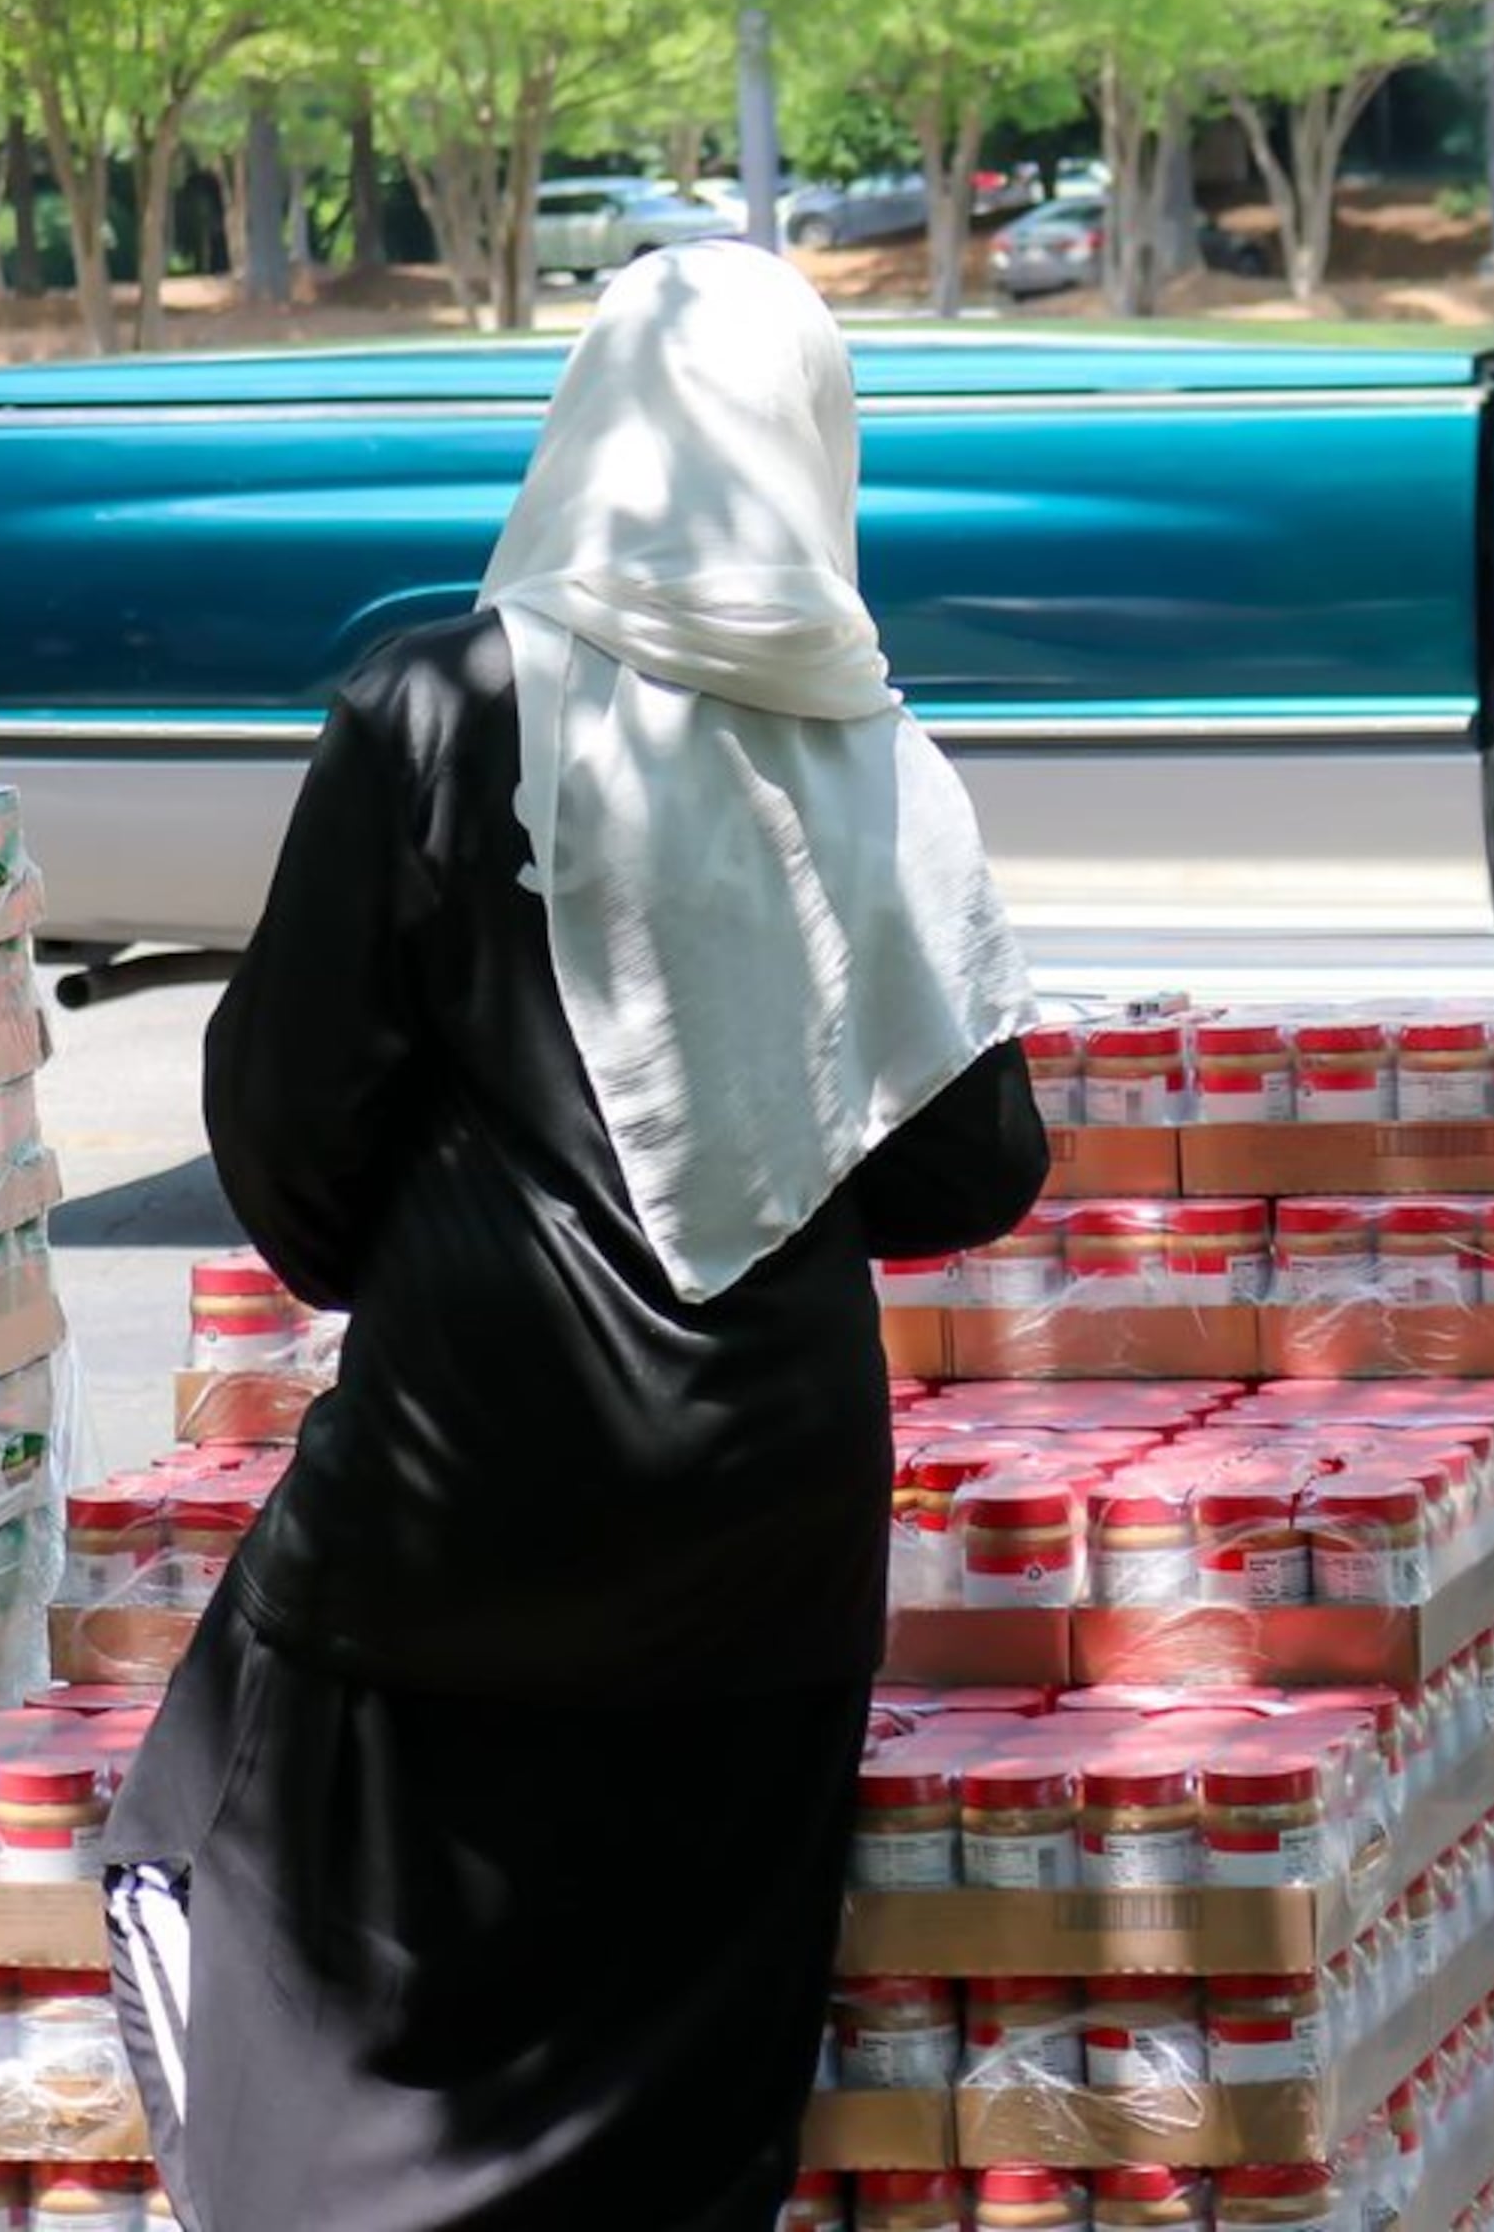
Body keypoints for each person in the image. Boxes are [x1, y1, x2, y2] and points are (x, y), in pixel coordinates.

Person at [98, 241, 1051, 2230]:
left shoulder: (440, 706)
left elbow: (287, 1125)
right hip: (768, 1528)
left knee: (286, 1956)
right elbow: (974, 1170)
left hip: (466, 1486)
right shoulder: (872, 752)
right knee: (670, 2098)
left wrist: (445, 1247)